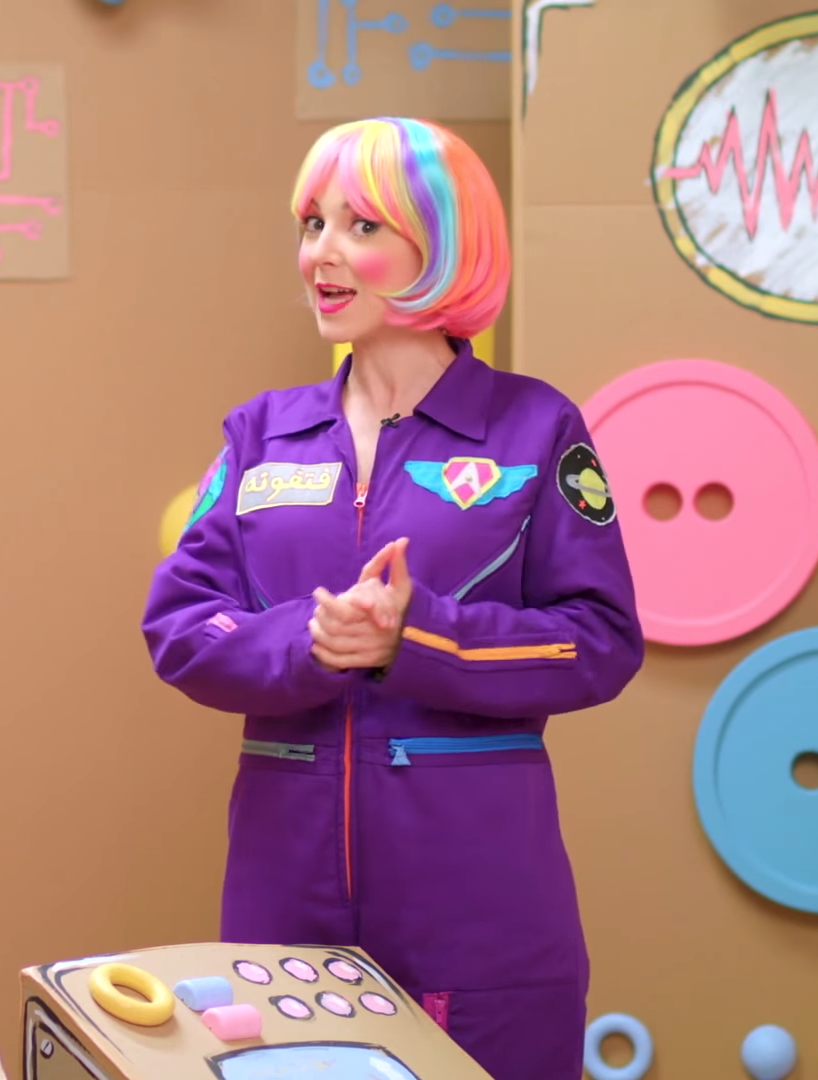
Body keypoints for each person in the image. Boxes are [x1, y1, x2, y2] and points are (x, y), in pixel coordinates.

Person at [141, 117, 644, 1080]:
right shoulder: (260, 437)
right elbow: (182, 626)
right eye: (312, 224)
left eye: (361, 226)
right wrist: (307, 641)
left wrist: (417, 637)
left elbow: (599, 639)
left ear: (443, 247)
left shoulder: (536, 428)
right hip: (283, 901)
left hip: (480, 911)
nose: (321, 254)